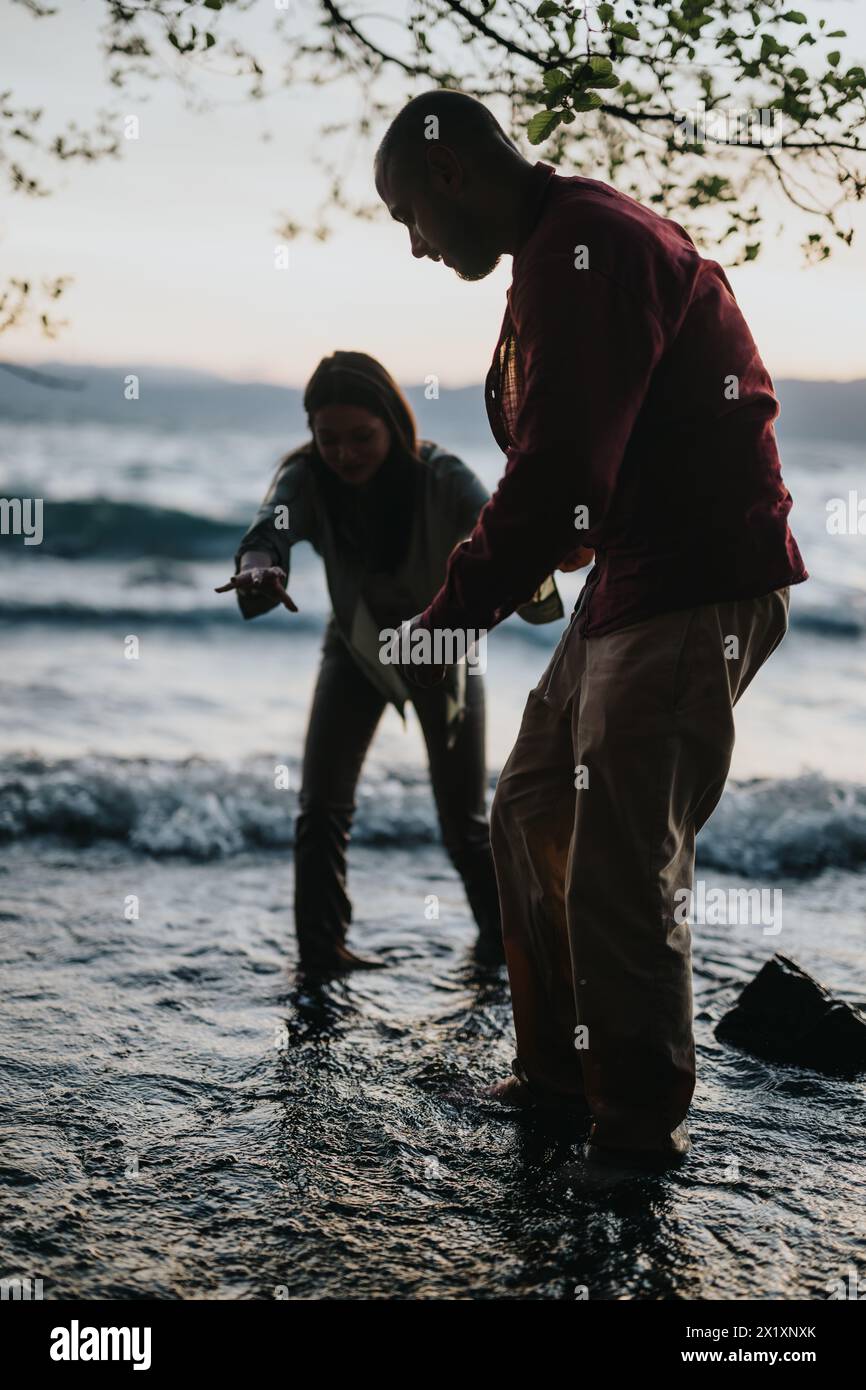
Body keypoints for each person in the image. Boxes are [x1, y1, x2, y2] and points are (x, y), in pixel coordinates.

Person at [374, 91, 808, 1169]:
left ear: (452, 174)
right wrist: (530, 555)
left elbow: (564, 472)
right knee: (528, 809)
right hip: (634, 577)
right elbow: (581, 466)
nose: (416, 250)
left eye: (407, 218)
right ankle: (560, 1075)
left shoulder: (587, 247)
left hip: (694, 581)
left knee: (618, 861)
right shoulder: (556, 254)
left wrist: (445, 619)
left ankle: (633, 1126)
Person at [217, 350, 563, 975]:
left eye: (361, 438)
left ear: (394, 425)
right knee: (321, 811)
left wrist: (552, 542)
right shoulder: (306, 477)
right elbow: (270, 528)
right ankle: (322, 956)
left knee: (463, 825)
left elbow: (501, 535)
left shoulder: (441, 476)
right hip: (355, 649)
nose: (345, 454)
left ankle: (508, 951)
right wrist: (257, 569)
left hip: (440, 649)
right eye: (329, 440)